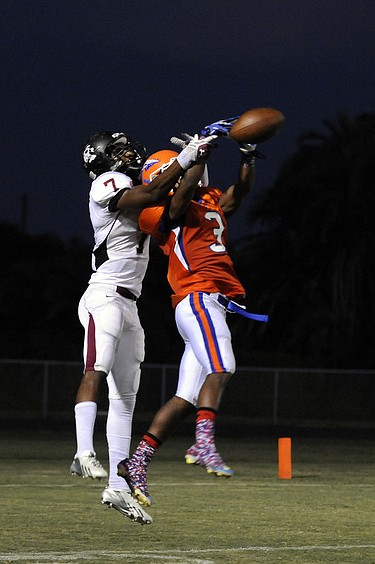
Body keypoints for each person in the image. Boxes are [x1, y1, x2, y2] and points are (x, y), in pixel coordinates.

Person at [72, 130, 214, 525]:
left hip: (130, 304)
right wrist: (184, 158)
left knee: (126, 399)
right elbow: (152, 196)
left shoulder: (143, 185)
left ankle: (117, 486)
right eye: (119, 150)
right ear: (101, 160)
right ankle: (83, 452)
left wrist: (199, 158)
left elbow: (176, 204)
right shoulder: (107, 182)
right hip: (103, 295)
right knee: (95, 368)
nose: (131, 152)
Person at [118, 131, 267, 508]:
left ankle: (136, 463)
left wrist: (248, 156)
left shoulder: (209, 199)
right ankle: (203, 444)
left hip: (211, 303)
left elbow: (240, 192)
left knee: (185, 397)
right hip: (197, 297)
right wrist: (195, 157)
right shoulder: (160, 208)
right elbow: (178, 198)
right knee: (223, 366)